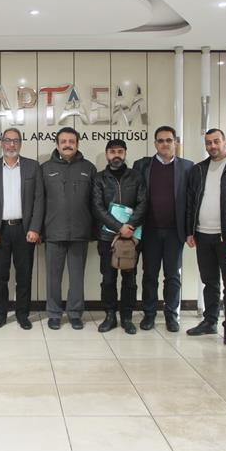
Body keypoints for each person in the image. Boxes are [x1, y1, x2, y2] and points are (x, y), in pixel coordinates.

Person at [185, 128, 226, 345]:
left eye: (216, 141)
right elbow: (191, 202)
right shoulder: (198, 169)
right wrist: (189, 231)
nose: (212, 146)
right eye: (208, 143)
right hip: (203, 234)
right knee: (209, 281)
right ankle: (210, 321)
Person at [133, 126, 193, 332]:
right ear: (155, 144)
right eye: (160, 140)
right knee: (149, 275)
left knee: (173, 276)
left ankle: (171, 315)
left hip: (175, 232)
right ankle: (149, 314)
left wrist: (189, 231)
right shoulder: (142, 166)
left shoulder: (187, 167)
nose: (165, 144)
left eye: (169, 140)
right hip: (149, 231)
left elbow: (191, 201)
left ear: (175, 142)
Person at [0, 128, 44, 330]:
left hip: (24, 230)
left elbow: (39, 200)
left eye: (15, 140)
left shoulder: (32, 167)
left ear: (20, 143)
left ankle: (22, 314)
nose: (11, 144)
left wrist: (35, 228)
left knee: (24, 276)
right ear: (1, 143)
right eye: (7, 140)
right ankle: (0, 315)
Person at [41, 127, 96, 330]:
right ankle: (54, 314)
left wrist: (93, 230)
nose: (67, 145)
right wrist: (39, 230)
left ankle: (75, 313)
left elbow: (94, 202)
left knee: (77, 277)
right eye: (63, 141)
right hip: (53, 232)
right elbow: (39, 202)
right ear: (57, 144)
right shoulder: (45, 168)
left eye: (71, 141)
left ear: (77, 144)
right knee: (53, 278)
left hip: (80, 232)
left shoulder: (88, 168)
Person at [92, 139, 147, 334]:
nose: (116, 155)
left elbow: (143, 203)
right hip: (107, 237)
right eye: (113, 151)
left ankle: (127, 317)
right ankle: (110, 316)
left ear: (125, 153)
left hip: (131, 237)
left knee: (130, 279)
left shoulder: (137, 177)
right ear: (107, 154)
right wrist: (118, 227)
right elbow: (97, 207)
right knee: (108, 279)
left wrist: (129, 226)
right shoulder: (99, 178)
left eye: (120, 151)